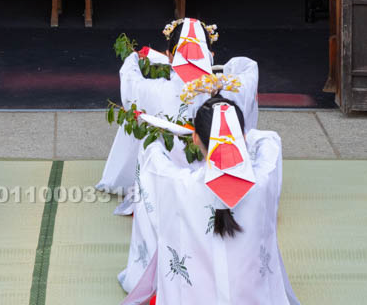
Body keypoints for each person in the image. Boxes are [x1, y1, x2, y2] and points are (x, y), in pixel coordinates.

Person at [119, 94, 300, 305]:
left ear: (195, 139)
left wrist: (165, 137)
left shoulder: (179, 184)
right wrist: (233, 135)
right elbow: (270, 141)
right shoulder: (262, 181)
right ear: (240, 136)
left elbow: (153, 159)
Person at [98, 18, 258, 203]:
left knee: (145, 138)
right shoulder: (229, 92)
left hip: (168, 180)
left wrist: (133, 58)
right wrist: (224, 77)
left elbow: (130, 83)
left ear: (169, 56)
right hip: (216, 180)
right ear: (210, 55)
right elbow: (249, 69)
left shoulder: (153, 91)